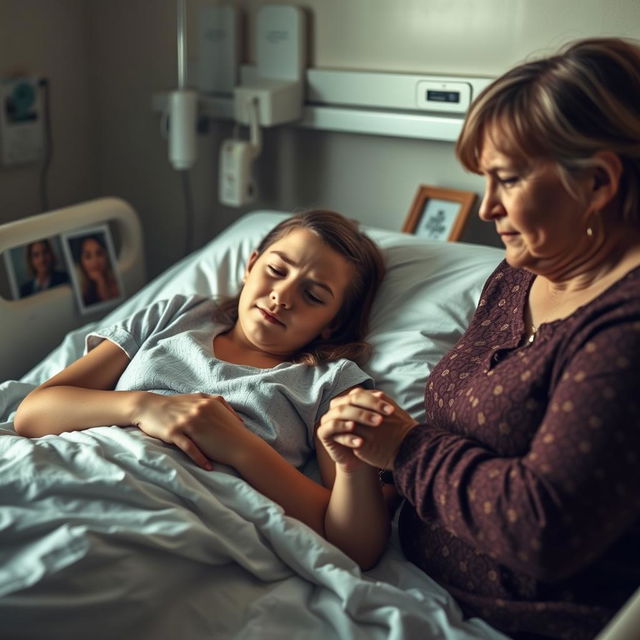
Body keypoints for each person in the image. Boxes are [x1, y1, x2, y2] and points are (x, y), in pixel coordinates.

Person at [319, 37, 640, 639]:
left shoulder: (625, 330)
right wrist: (369, 463)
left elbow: (542, 529)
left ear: (598, 182)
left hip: (521, 621)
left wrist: (404, 449)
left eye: (508, 180)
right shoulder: (525, 267)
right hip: (414, 574)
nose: (486, 206)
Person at [14, 210, 390, 569]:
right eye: (276, 270)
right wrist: (145, 408)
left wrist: (241, 447)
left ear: (333, 322)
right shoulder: (175, 315)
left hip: (172, 517)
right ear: (250, 266)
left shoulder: (331, 384)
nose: (283, 296)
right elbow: (32, 412)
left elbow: (354, 547)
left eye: (314, 296)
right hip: (71, 470)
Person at [75, 233, 121, 305]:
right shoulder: (79, 290)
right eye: (88, 256)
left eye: (99, 254)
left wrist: (101, 281)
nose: (95, 261)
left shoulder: (116, 282)